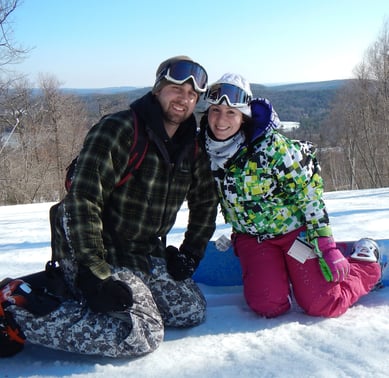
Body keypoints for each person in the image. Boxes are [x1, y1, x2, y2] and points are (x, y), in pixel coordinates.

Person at [0, 56, 218, 358]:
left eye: (192, 94)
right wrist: (95, 271)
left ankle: (80, 288)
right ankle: (14, 312)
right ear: (157, 89)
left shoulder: (191, 147)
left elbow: (206, 202)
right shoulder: (120, 130)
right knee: (143, 334)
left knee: (190, 310)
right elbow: (83, 201)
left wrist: (191, 253)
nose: (184, 98)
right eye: (176, 89)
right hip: (94, 246)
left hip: (140, 251)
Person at [200, 72, 382, 319]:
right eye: (215, 111)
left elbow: (309, 195)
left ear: (243, 117)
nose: (221, 120)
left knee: (325, 304)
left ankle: (365, 263)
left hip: (294, 234)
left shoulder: (271, 147)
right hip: (254, 239)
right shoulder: (205, 150)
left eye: (231, 112)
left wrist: (326, 245)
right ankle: (287, 272)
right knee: (268, 305)